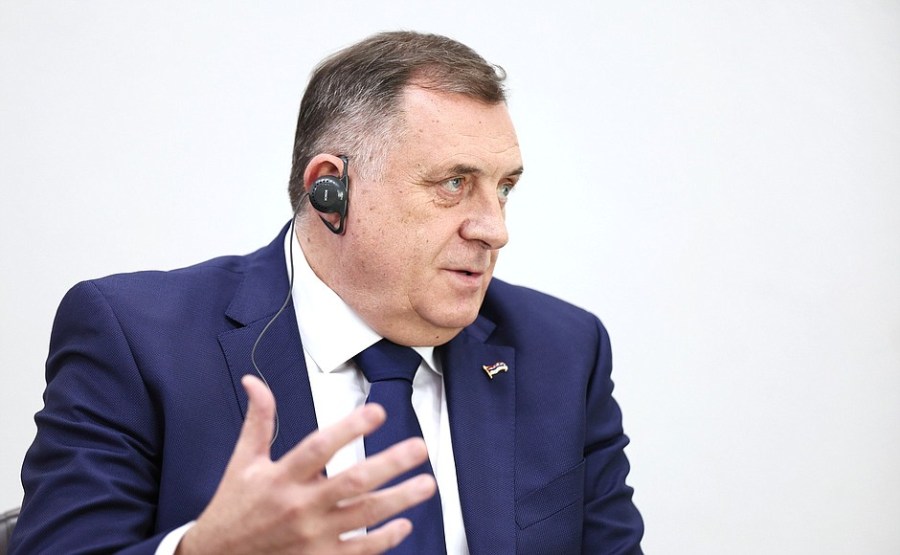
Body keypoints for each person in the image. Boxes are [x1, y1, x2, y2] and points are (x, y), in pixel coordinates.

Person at [10, 31, 644, 554]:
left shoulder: (564, 352)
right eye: (454, 183)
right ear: (330, 192)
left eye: (503, 188)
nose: (494, 229)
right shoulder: (138, 339)